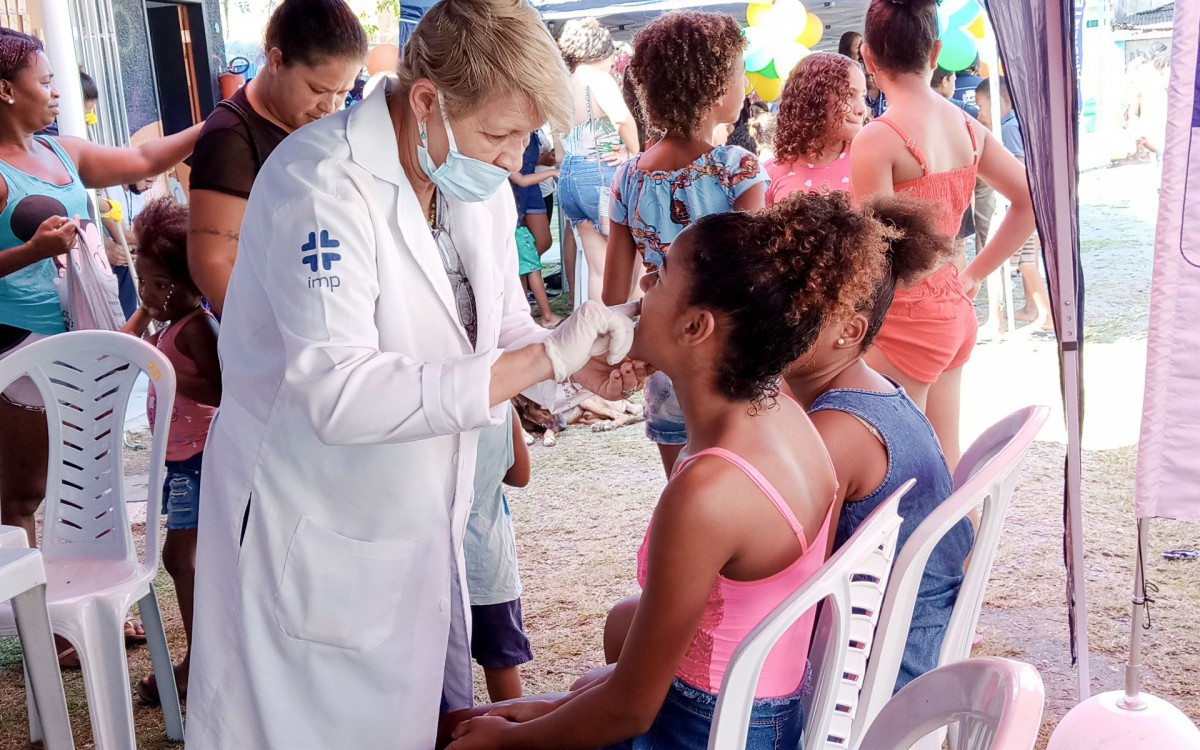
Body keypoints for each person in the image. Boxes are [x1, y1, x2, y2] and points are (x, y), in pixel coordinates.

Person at [185, 0, 641, 746]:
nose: (514, 160)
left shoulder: (474, 187)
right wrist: (541, 358)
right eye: (500, 134)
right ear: (426, 99)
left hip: (418, 512)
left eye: (527, 136)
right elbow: (339, 393)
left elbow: (495, 329)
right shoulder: (321, 187)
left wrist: (575, 367)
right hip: (314, 518)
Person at [449, 193, 879, 750]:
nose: (642, 290)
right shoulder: (784, 414)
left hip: (708, 731)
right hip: (750, 714)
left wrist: (508, 740)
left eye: (658, 279)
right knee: (531, 701)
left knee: (456, 734)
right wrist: (546, 708)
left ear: (696, 327)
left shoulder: (710, 489)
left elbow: (629, 709)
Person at [0, 28, 200, 556]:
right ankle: (45, 629)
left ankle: (93, 587)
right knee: (23, 494)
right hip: (19, 351)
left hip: (83, 341)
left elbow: (144, 161)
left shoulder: (60, 152)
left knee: (89, 473)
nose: (56, 92)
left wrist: (221, 119)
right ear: (6, 91)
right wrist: (29, 253)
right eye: (44, 82)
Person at [783, 196, 974, 692]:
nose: (766, 313)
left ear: (850, 330)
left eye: (790, 302)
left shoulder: (838, 431)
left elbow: (788, 583)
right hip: (898, 643)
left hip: (874, 676)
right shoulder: (873, 387)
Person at [850, 0, 1036, 470]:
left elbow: (871, 253)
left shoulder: (877, 138)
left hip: (904, 319)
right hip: (953, 308)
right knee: (943, 461)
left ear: (869, 58)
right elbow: (1031, 202)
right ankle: (964, 545)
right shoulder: (968, 126)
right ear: (935, 52)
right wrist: (975, 272)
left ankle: (938, 545)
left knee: (898, 469)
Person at [600, 11, 767, 476]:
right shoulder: (738, 169)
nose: (746, 83)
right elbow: (752, 277)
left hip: (665, 363)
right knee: (745, 482)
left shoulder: (627, 178)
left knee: (682, 484)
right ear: (715, 89)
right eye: (739, 73)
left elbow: (614, 297)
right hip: (731, 362)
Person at [186, 0, 367, 315]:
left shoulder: (308, 120)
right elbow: (212, 261)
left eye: (342, 93)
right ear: (275, 61)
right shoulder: (230, 139)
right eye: (317, 89)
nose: (330, 106)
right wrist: (267, 339)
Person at [118, 198, 220, 706]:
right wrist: (145, 313)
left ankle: (198, 663)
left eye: (162, 283)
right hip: (181, 461)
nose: (150, 292)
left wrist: (171, 374)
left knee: (181, 557)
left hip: (201, 459)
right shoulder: (168, 326)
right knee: (185, 559)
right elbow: (119, 345)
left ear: (194, 281)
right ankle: (201, 658)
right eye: (143, 280)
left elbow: (223, 389)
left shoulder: (198, 328)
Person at [556, 18, 640, 303]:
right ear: (601, 51)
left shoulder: (563, 84)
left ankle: (597, 336)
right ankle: (625, 334)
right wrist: (633, 152)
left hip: (569, 176)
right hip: (600, 176)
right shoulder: (597, 78)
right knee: (630, 261)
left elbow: (558, 150)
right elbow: (622, 118)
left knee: (597, 270)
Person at [466, 406, 533, 702]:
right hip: (488, 563)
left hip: (431, 563)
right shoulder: (503, 409)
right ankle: (509, 733)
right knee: (501, 661)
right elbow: (520, 476)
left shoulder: (425, 408)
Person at [976, 77, 1053, 333]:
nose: (980, 112)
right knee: (1027, 260)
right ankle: (1034, 310)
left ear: (999, 101)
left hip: (1017, 207)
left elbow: (1017, 166)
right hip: (1031, 204)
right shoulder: (1016, 123)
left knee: (1000, 261)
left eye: (982, 105)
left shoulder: (1008, 128)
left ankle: (1002, 319)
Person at [765, 52, 867, 205]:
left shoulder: (868, 161)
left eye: (863, 96)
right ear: (814, 101)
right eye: (848, 95)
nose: (861, 109)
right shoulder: (770, 173)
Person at [510, 132, 564, 327]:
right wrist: (552, 172)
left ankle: (522, 308)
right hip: (517, 200)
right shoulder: (506, 156)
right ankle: (540, 313)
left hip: (526, 193)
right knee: (528, 264)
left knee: (531, 256)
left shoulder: (532, 135)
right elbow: (521, 180)